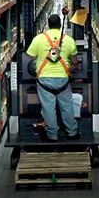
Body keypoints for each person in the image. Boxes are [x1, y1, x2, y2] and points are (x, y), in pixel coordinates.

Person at [26, 14, 79, 142]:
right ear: (60, 25)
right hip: (63, 80)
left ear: (48, 25)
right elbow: (75, 61)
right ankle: (72, 132)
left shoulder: (39, 39)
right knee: (67, 106)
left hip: (44, 80)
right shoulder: (69, 40)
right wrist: (72, 66)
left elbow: (30, 57)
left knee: (48, 108)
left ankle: (52, 135)